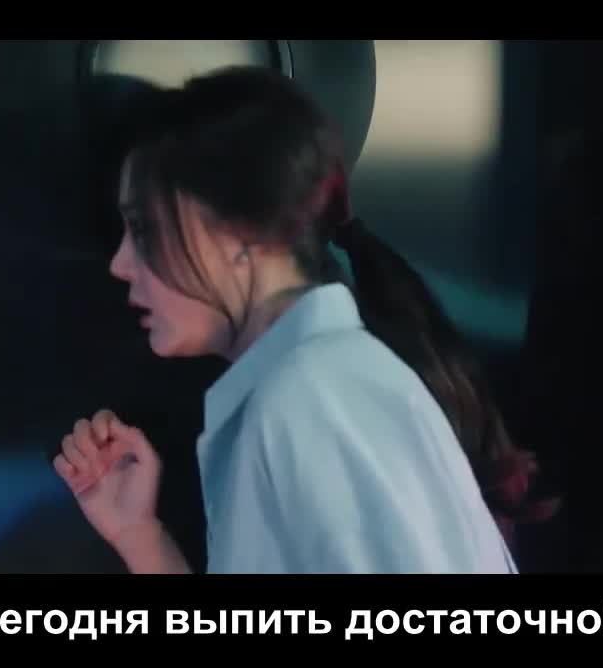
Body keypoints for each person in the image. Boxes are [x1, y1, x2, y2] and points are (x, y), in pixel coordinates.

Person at [53, 66, 558, 573]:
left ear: (241, 230)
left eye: (144, 229)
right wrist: (140, 536)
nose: (120, 264)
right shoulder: (313, 385)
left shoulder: (311, 394)